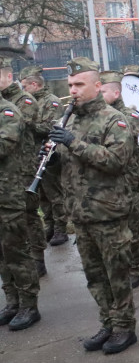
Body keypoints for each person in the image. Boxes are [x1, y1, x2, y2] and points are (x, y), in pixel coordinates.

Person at [51, 58, 137, 354]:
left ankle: (125, 327)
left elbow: (115, 162)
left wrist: (73, 143)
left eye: (79, 85)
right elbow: (70, 164)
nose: (72, 91)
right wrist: (52, 158)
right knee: (94, 275)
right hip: (80, 212)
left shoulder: (115, 119)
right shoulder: (70, 119)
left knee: (116, 274)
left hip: (107, 211)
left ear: (97, 86)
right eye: (70, 85)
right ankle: (108, 322)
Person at [1, 59, 50, 278]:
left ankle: (38, 258)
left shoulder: (23, 101)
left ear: (8, 77)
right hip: (7, 172)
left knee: (29, 215)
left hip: (24, 167)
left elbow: (23, 127)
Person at [98, 72, 139, 288]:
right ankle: (122, 267)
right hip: (108, 184)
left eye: (103, 92)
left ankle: (138, 269)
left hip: (129, 182)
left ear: (116, 92)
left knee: (133, 231)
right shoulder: (98, 115)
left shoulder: (130, 115)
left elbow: (128, 138)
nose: (99, 96)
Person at [0, 77, 41, 331]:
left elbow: (4, 145)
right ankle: (12, 301)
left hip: (9, 193)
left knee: (16, 251)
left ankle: (29, 305)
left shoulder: (7, 111)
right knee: (1, 255)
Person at [19, 66, 69, 246]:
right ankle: (49, 225)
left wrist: (27, 124)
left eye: (25, 86)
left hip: (49, 153)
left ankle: (61, 229)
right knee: (42, 196)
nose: (23, 90)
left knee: (54, 194)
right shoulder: (30, 101)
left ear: (34, 84)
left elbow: (51, 127)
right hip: (33, 154)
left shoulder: (51, 101)